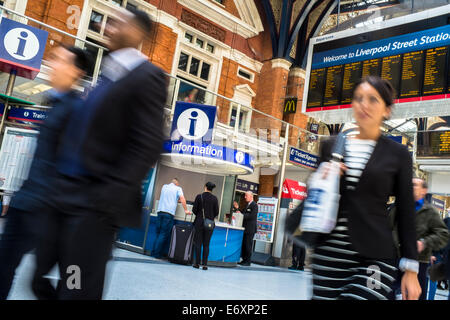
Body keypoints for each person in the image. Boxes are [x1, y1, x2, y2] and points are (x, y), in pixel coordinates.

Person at [31, 8, 168, 300]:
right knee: (43, 274)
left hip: (93, 206)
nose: (110, 27)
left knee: (75, 284)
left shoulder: (148, 76)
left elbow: (148, 143)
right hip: (67, 196)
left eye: (120, 23)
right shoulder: (108, 74)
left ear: (139, 33)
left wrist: (106, 198)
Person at [311, 76, 421, 300]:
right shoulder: (331, 146)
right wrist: (322, 178)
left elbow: (406, 212)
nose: (364, 104)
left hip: (376, 256)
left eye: (373, 99)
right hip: (329, 257)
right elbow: (315, 197)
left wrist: (411, 269)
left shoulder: (398, 154)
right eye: (359, 98)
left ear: (387, 110)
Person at [0, 45, 91, 300]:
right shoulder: (57, 104)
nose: (53, 63)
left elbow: (74, 162)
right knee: (8, 266)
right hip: (28, 201)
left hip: (44, 207)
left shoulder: (75, 110)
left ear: (76, 71)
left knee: (48, 278)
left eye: (60, 60)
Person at [412, 178, 449, 300]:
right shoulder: (399, 208)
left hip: (422, 260)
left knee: (420, 290)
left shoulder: (431, 212)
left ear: (424, 190)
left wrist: (426, 245)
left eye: (415, 185)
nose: (411, 187)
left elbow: (442, 234)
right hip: (398, 259)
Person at [151, 178, 190, 259]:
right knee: (163, 234)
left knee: (158, 233)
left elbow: (169, 197)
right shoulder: (178, 188)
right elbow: (182, 198)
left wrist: (176, 200)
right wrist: (186, 210)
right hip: (168, 214)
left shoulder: (164, 186)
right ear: (177, 184)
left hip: (160, 212)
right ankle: (157, 254)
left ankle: (153, 252)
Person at [192, 182, 219, 270]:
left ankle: (197, 263)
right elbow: (216, 212)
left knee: (198, 243)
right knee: (206, 244)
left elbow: (194, 210)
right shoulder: (215, 199)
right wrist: (210, 217)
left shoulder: (199, 197)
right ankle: (205, 264)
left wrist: (200, 215)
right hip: (209, 224)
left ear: (205, 187)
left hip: (199, 222)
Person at [239, 191, 258, 266]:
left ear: (251, 196)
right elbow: (243, 212)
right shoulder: (247, 205)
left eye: (246, 195)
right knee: (244, 244)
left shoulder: (254, 205)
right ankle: (244, 260)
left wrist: (242, 215)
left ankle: (248, 261)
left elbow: (251, 216)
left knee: (248, 245)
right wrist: (238, 210)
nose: (245, 197)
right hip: (245, 228)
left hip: (250, 229)